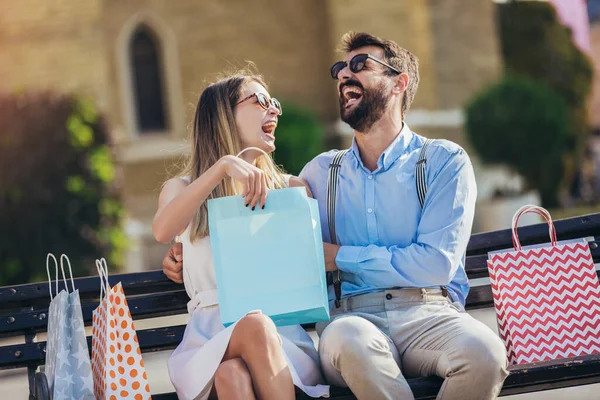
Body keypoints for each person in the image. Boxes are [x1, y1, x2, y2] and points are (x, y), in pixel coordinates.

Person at [164, 32, 509, 400]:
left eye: (360, 65)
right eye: (339, 69)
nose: (345, 75)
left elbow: (436, 263)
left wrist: (340, 256)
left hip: (431, 312)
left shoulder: (443, 162)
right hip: (352, 319)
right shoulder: (317, 175)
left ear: (399, 83)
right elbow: (264, 236)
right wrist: (186, 251)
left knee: (486, 355)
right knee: (352, 344)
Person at [153, 71, 329, 400]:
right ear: (223, 116)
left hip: (282, 340)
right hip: (209, 339)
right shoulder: (182, 189)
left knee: (233, 372)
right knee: (237, 353)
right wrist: (221, 167)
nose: (274, 110)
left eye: (273, 103)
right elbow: (163, 230)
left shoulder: (291, 190)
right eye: (260, 102)